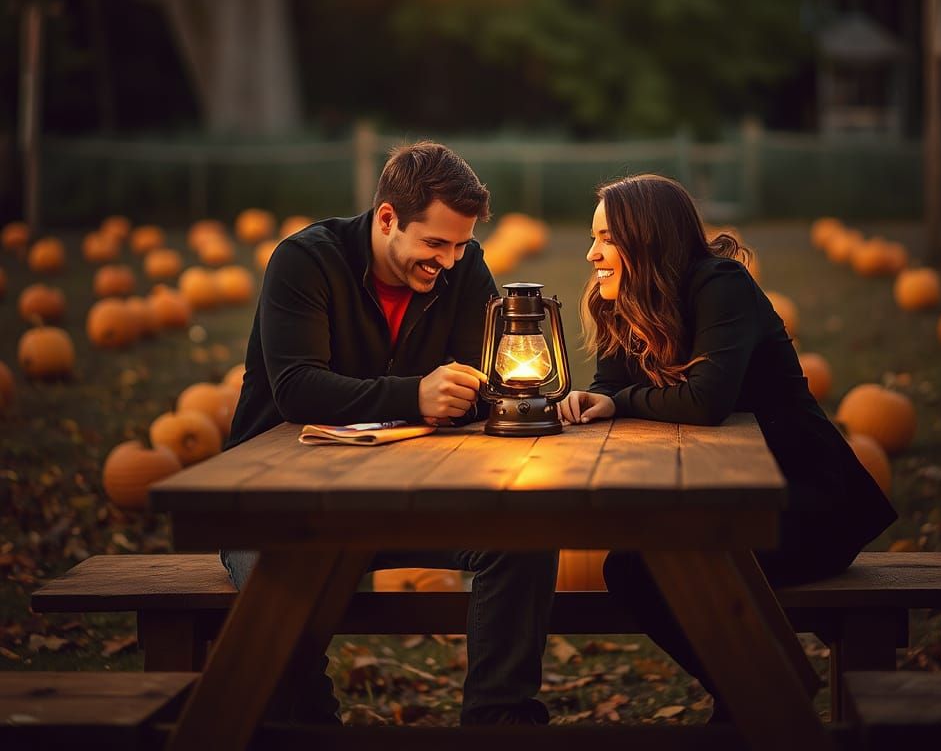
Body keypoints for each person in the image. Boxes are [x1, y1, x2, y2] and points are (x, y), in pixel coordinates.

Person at [223, 141, 557, 726]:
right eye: (435, 243)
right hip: (280, 502)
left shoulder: (464, 266)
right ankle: (310, 729)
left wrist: (501, 391)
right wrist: (415, 394)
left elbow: (489, 377)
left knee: (523, 533)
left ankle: (499, 722)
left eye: (460, 244)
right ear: (386, 219)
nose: (450, 261)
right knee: (274, 615)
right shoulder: (305, 261)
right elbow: (297, 389)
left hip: (408, 494)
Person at [557, 173, 896, 723]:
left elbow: (704, 400)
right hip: (726, 507)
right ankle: (756, 699)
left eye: (606, 238)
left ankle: (757, 702)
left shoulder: (722, 285)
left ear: (647, 239)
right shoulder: (623, 300)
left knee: (646, 567)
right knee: (635, 565)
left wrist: (619, 401)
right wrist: (591, 400)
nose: (591, 252)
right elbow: (608, 388)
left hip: (808, 506)